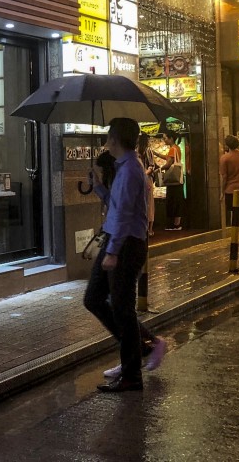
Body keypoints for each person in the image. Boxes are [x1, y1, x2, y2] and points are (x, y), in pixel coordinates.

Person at [83, 117, 166, 392]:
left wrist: (113, 251)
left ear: (115, 140)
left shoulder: (131, 170)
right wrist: (97, 185)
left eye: (108, 138)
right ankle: (141, 346)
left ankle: (132, 374)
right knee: (95, 298)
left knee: (121, 308)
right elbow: (115, 205)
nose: (106, 143)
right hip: (118, 239)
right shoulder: (124, 168)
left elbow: (124, 215)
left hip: (125, 244)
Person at [155, 132, 184, 230]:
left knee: (172, 201)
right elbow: (168, 158)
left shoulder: (173, 149)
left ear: (171, 138)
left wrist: (159, 169)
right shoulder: (176, 148)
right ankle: (177, 224)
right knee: (178, 201)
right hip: (177, 181)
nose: (164, 140)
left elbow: (169, 163)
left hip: (173, 181)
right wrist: (156, 154)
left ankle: (173, 224)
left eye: (165, 138)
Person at [137, 133, 156, 237]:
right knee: (149, 204)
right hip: (146, 179)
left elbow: (151, 166)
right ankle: (149, 229)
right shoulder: (147, 150)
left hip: (143, 179)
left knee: (146, 204)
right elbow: (151, 166)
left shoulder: (139, 151)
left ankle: (148, 229)